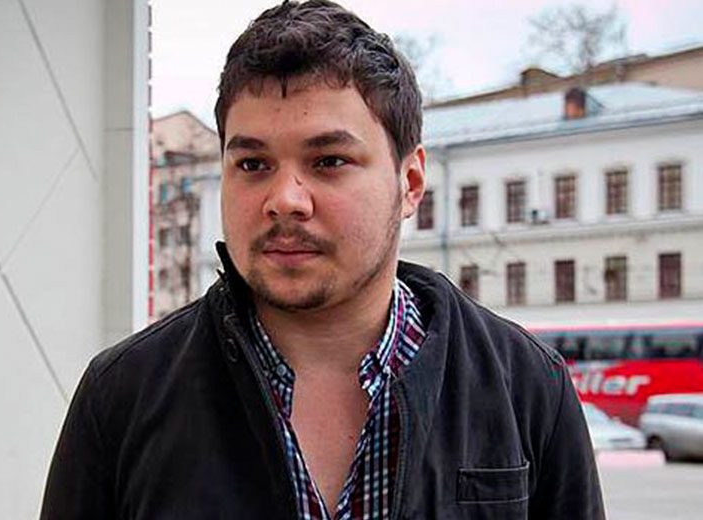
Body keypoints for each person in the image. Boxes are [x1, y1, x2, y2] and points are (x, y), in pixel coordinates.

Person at [40, 1, 605, 518]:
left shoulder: (527, 387)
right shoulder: (123, 396)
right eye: (253, 165)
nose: (285, 199)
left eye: (329, 160)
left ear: (410, 183)